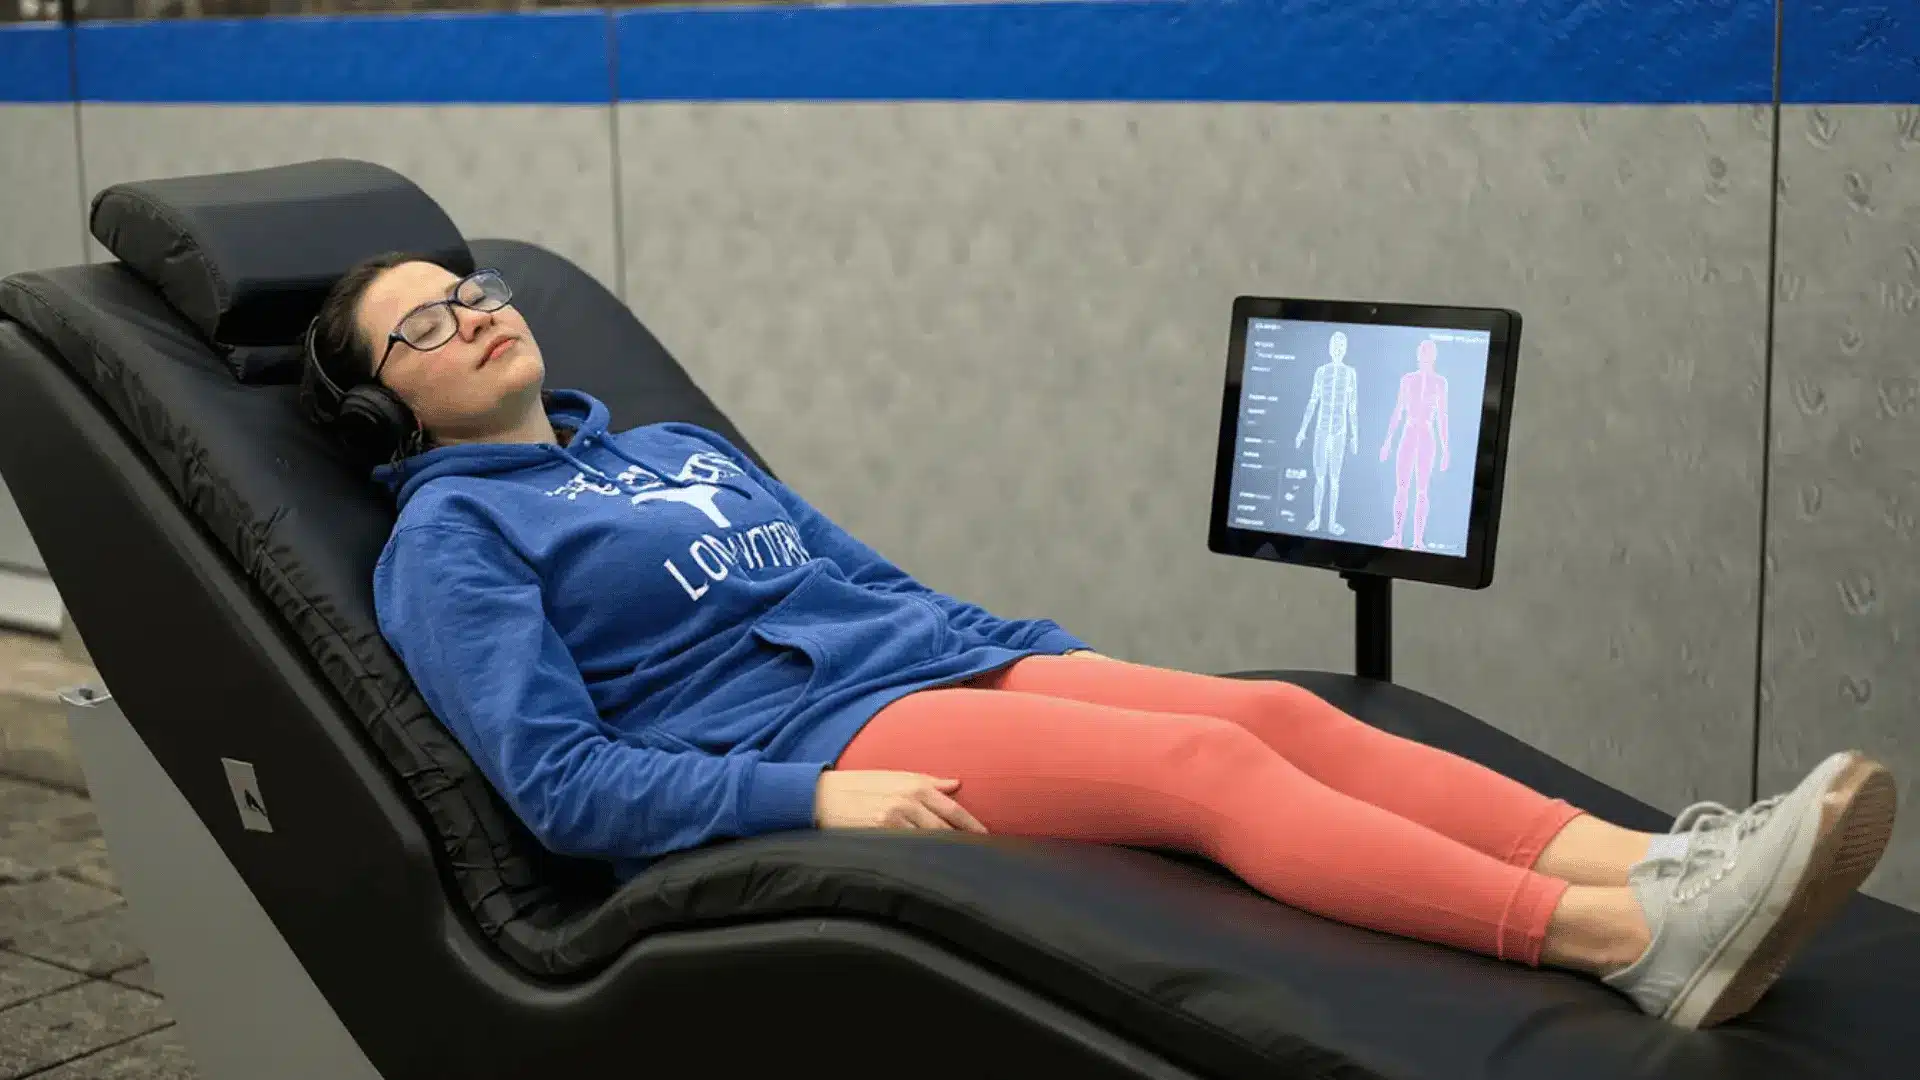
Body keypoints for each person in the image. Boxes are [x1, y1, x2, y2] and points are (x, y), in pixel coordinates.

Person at [300, 253, 1897, 1033]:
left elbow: (878, 579)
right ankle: (1620, 943)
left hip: (931, 670)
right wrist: (818, 805)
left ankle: (1660, 865)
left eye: (472, 289)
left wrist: (1045, 660)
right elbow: (563, 785)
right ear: (385, 404)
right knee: (1210, 770)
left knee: (1271, 709)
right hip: (810, 746)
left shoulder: (663, 450)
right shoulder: (454, 545)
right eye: (422, 327)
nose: (472, 316)